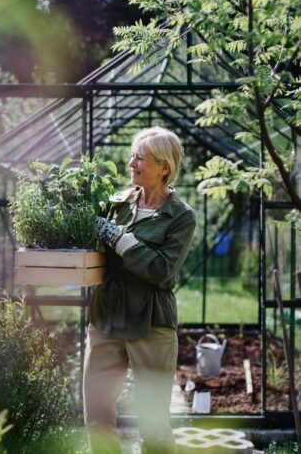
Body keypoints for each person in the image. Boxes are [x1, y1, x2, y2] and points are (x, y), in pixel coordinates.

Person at [83, 126, 196, 454]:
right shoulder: (116, 204)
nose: (131, 163)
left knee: (153, 423)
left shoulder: (180, 216)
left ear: (164, 167)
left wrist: (120, 239)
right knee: (97, 415)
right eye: (132, 155)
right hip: (106, 319)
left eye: (140, 158)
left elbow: (162, 270)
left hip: (151, 324)